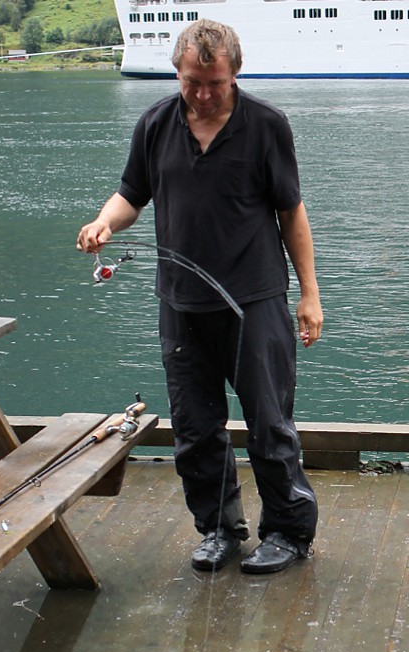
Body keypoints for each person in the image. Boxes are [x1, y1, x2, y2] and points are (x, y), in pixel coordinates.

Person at [77, 20, 323, 575]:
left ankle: (288, 532)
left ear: (234, 72)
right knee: (193, 429)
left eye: (215, 82)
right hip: (181, 305)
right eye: (193, 82)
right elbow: (131, 195)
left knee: (270, 424)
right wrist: (103, 223)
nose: (204, 94)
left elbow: (291, 213)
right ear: (178, 72)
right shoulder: (155, 124)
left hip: (256, 302)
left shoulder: (267, 126)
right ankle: (218, 529)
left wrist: (310, 295)